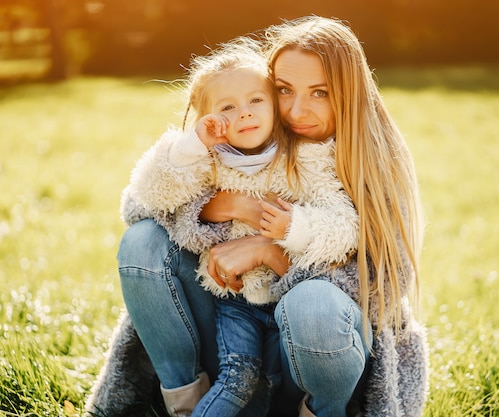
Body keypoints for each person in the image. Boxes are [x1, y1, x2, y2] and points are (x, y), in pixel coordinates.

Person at [85, 15, 428, 417]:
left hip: (309, 354)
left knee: (315, 305)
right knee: (142, 240)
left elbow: (381, 285)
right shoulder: (244, 140)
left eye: (320, 92)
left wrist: (269, 251)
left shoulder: (369, 162)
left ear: (350, 94)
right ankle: (185, 402)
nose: (297, 110)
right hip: (228, 332)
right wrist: (222, 204)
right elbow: (140, 204)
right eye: (284, 90)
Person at [110, 37, 360, 417]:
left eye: (256, 101)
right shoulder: (207, 159)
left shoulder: (305, 158)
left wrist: (295, 226)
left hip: (292, 311)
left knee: (277, 363)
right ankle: (185, 406)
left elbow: (345, 227)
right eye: (228, 108)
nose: (245, 114)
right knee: (239, 377)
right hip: (233, 303)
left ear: (272, 104)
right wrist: (193, 151)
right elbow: (149, 196)